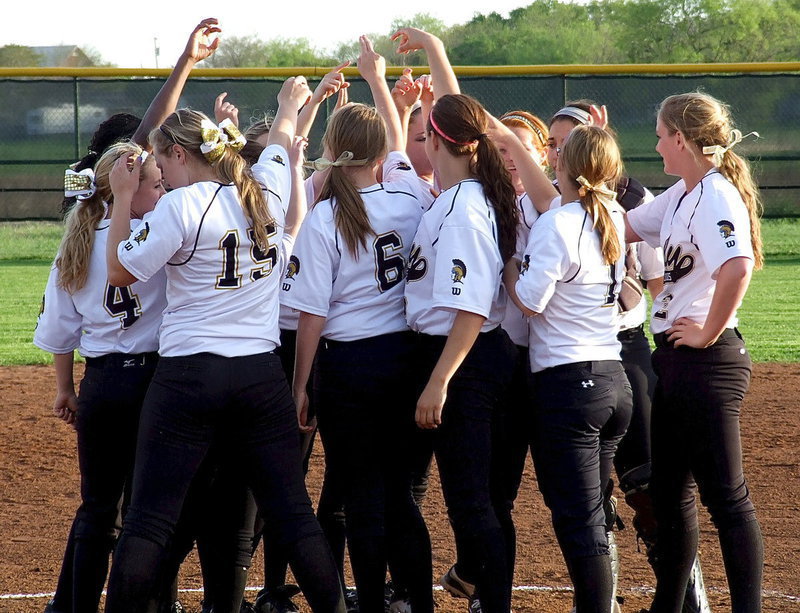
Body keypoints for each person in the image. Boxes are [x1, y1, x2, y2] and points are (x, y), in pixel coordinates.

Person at [102, 75, 345, 613]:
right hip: (259, 375)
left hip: (190, 373)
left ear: (182, 155)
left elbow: (119, 271)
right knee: (293, 513)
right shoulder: (266, 190)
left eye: (162, 162)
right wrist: (289, 104)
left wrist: (122, 200)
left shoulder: (183, 206)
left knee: (149, 519)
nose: (158, 173)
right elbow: (282, 140)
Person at [283, 36, 433, 613]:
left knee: (363, 499)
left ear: (333, 151)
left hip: (347, 369)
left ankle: (370, 602)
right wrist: (378, 81)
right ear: (377, 158)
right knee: (401, 498)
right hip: (405, 359)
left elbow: (311, 315)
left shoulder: (323, 217)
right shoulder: (410, 198)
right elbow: (397, 148)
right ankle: (419, 602)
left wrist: (301, 385)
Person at [626, 92, 764, 613]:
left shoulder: (714, 196)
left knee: (727, 498)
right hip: (679, 362)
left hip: (708, 361)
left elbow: (737, 266)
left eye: (662, 135)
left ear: (681, 139)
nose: (658, 144)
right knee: (671, 494)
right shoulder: (686, 193)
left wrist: (708, 330)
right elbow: (626, 225)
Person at [34, 142, 167, 613]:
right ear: (130, 187)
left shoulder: (78, 241)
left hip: (102, 383)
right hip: (153, 383)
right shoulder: (157, 232)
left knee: (96, 509)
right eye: (156, 183)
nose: (163, 189)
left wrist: (66, 390)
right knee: (144, 514)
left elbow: (59, 332)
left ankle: (76, 607)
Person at [505, 124, 633, 613]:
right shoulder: (612, 219)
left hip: (569, 384)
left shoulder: (558, 222)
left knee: (579, 523)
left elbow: (531, 303)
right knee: (592, 516)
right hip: (611, 377)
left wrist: (512, 266)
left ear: (564, 166)